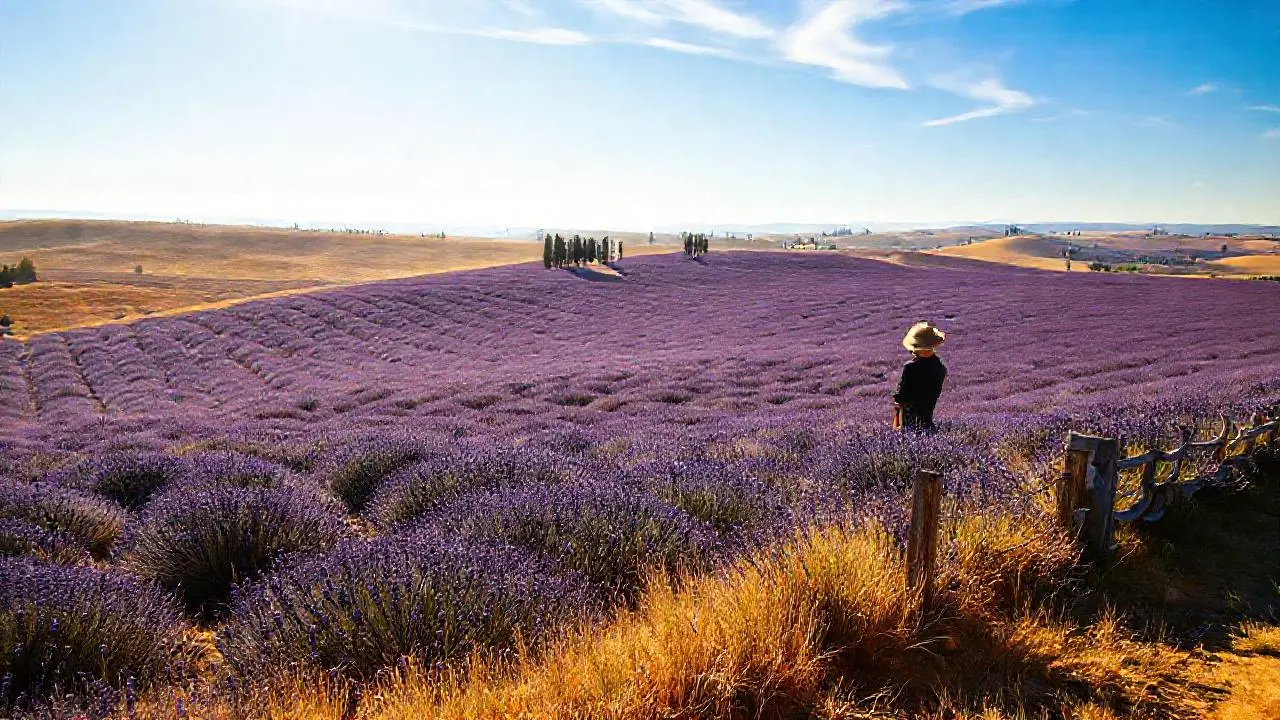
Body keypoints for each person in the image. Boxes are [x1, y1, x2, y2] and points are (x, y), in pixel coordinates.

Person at [893, 321, 947, 432]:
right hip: (928, 423)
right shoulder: (940, 368)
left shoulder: (910, 368)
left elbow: (900, 398)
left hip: (908, 424)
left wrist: (897, 423)